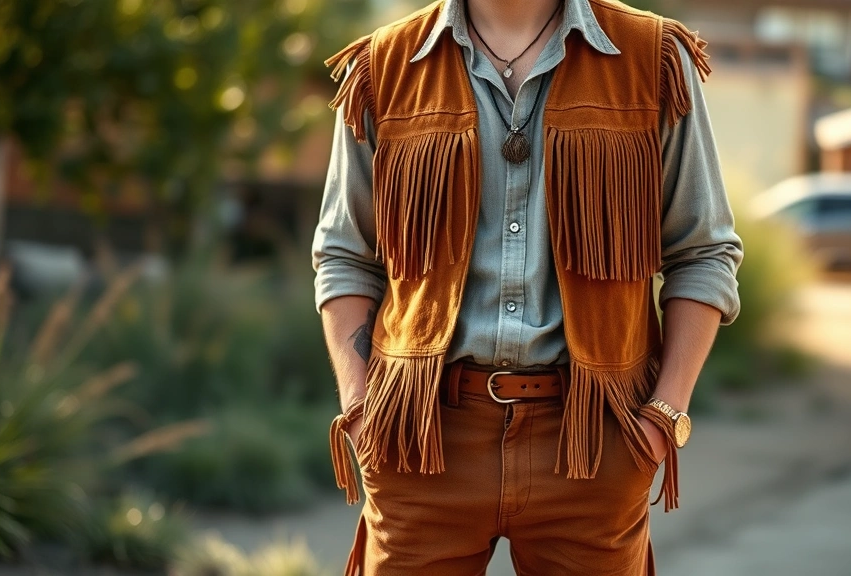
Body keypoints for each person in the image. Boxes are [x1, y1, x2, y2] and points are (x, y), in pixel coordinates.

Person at [313, 0, 742, 573]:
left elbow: (703, 252)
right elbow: (345, 255)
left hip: (593, 442)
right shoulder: (387, 66)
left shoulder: (650, 59)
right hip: (420, 443)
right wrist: (361, 408)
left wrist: (664, 417)